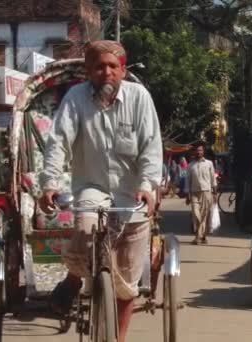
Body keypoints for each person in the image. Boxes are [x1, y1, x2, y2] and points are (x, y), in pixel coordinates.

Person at [39, 40, 162, 342]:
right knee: (84, 226)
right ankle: (73, 277)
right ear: (89, 72)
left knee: (126, 284)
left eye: (112, 66)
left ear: (123, 69)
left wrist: (147, 187)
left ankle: (117, 338)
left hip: (132, 195)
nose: (106, 72)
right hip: (91, 188)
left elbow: (151, 148)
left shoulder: (140, 98)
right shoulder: (75, 98)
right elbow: (58, 143)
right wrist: (50, 184)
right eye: (99, 66)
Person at [186, 143, 217, 244]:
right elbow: (188, 180)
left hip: (206, 192)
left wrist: (215, 193)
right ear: (194, 152)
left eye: (200, 150)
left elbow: (213, 179)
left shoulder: (209, 163)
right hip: (194, 193)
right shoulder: (190, 165)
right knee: (196, 214)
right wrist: (187, 194)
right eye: (197, 150)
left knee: (204, 215)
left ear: (203, 152)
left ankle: (198, 237)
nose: (199, 152)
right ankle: (202, 235)